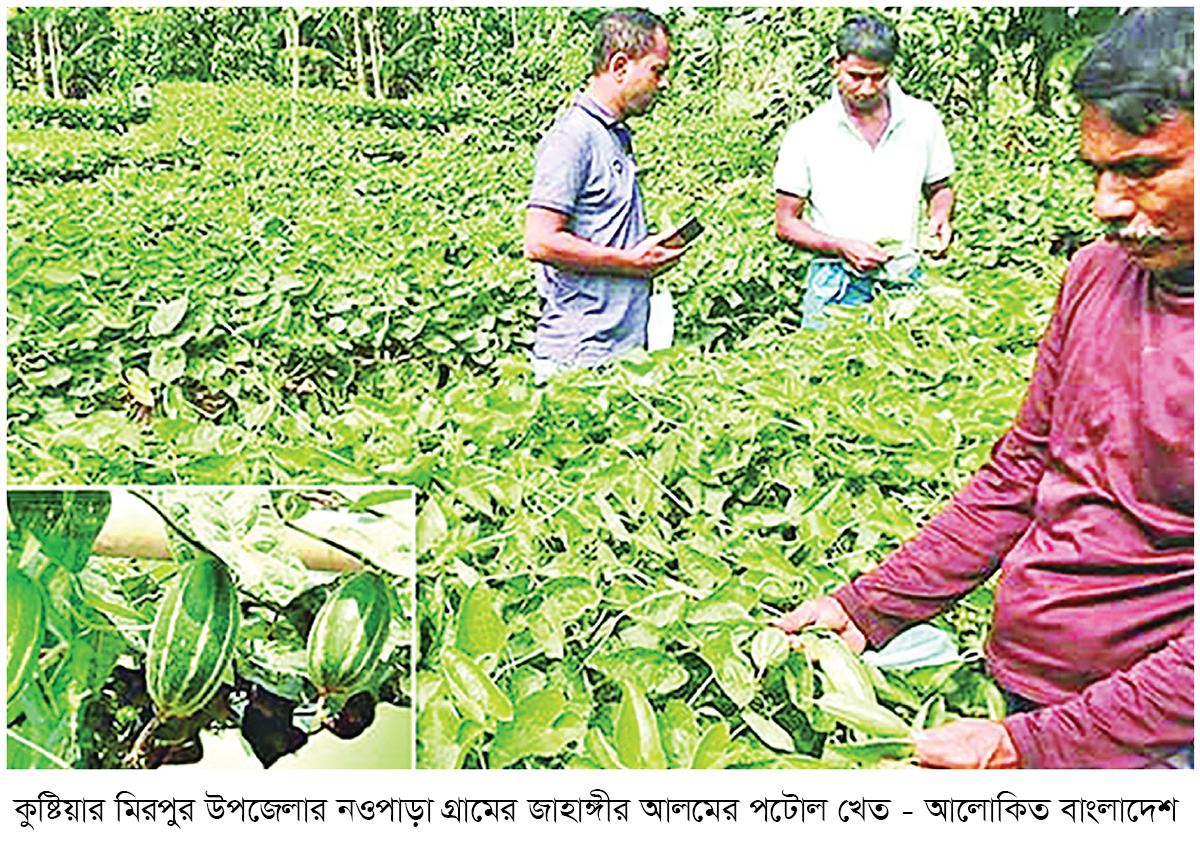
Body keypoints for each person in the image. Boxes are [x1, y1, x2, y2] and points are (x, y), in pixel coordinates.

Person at [775, 7, 1194, 769]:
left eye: (1140, 168)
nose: (1104, 204)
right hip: (1032, 695)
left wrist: (1033, 748)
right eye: (1095, 171)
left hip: (1148, 741)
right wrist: (869, 606)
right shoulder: (1096, 274)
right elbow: (1020, 474)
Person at [524, 8, 685, 380]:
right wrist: (631, 261)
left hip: (619, 351)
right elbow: (540, 242)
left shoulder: (613, 135)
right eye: (657, 71)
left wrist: (646, 248)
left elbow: (599, 230)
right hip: (579, 359)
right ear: (619, 66)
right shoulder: (572, 137)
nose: (664, 83)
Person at [774, 14, 955, 329]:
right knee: (822, 373)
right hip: (835, 287)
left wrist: (940, 217)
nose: (868, 88)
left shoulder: (922, 120)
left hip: (905, 283)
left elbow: (939, 186)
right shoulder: (807, 134)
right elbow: (786, 223)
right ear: (836, 64)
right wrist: (842, 246)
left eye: (878, 76)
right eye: (856, 76)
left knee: (907, 371)